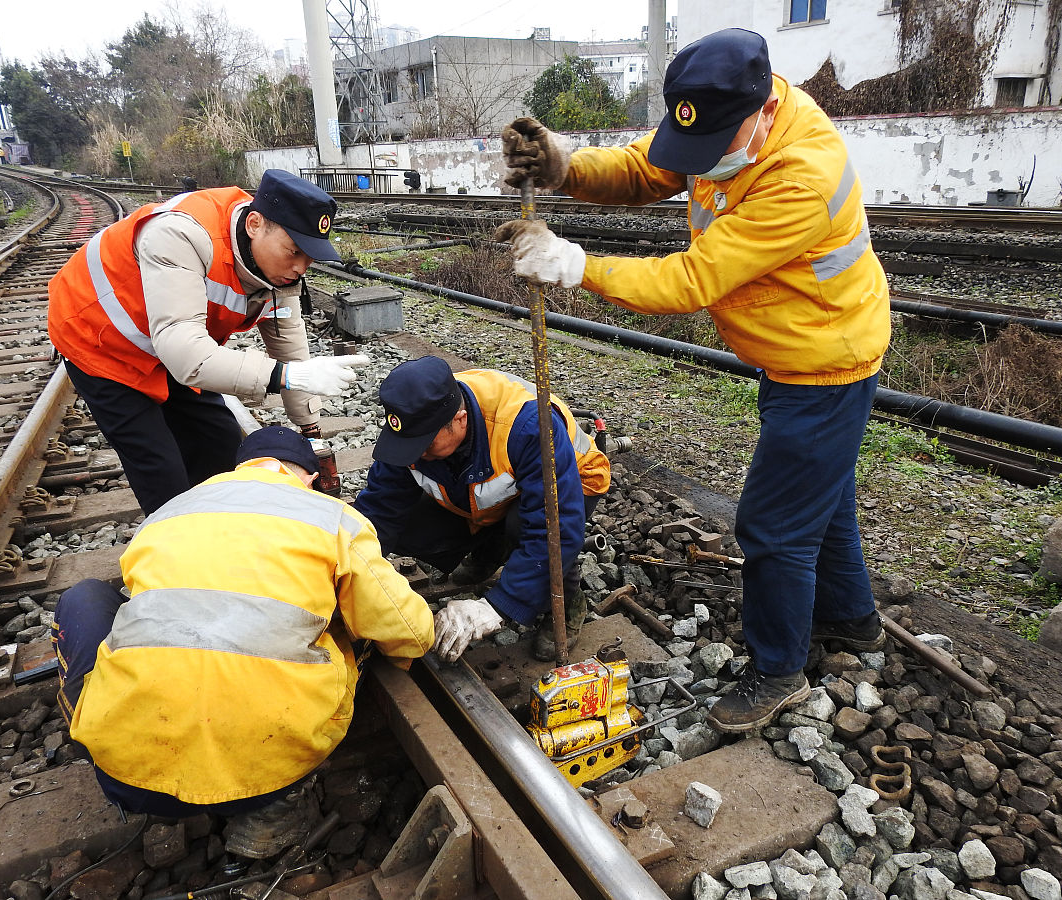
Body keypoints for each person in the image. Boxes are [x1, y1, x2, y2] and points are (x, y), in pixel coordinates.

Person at [495, 28, 891, 731]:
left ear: (764, 112)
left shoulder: (802, 170)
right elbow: (649, 170)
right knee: (820, 504)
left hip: (826, 362)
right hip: (796, 351)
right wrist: (565, 167)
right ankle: (853, 621)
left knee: (772, 527)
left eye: (711, 147)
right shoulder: (719, 117)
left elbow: (695, 277)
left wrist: (575, 265)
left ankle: (778, 672)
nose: (700, 162)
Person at [50, 425, 435, 858]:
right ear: (307, 476)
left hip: (126, 779)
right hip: (268, 776)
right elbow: (407, 629)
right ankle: (280, 805)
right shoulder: (330, 517)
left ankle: (98, 724)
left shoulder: (169, 513)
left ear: (240, 469)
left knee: (84, 597)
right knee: (351, 626)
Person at [47, 168, 369, 516]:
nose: (301, 268)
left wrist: (308, 423)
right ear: (254, 224)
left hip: (177, 342)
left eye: (310, 257)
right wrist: (284, 376)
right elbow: (188, 357)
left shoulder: (280, 268)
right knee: (160, 467)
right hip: (101, 341)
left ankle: (221, 528)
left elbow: (287, 340)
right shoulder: (181, 234)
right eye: (293, 252)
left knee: (220, 445)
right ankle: (179, 548)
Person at [353, 356, 611, 662]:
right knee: (407, 524)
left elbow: (555, 528)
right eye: (409, 444)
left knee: (524, 527)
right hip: (490, 490)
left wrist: (498, 606)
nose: (416, 454)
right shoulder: (413, 426)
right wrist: (351, 568)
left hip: (573, 484)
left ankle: (568, 603)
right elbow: (380, 508)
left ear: (460, 419)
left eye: (425, 444)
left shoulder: (528, 424)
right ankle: (490, 551)